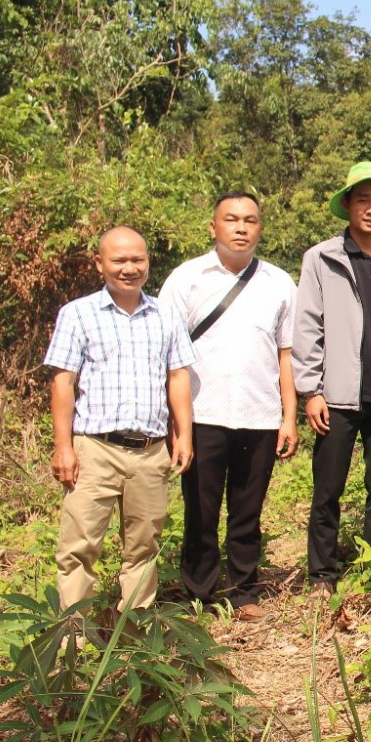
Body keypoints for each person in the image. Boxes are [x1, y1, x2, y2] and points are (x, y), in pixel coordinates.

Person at [160, 192, 298, 622]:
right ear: (213, 227)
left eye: (250, 220)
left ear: (260, 228)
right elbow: (166, 355)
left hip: (259, 414)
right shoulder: (186, 279)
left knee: (248, 509)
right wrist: (174, 423)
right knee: (200, 509)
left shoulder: (279, 282)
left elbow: (286, 353)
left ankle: (243, 590)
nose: (241, 228)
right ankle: (198, 590)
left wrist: (288, 417)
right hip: (202, 414)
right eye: (232, 219)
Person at [45, 226, 195, 617]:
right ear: (100, 264)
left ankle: (133, 642)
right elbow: (63, 383)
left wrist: (184, 436)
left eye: (137, 260)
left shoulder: (166, 315)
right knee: (79, 547)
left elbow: (178, 377)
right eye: (119, 260)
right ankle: (72, 639)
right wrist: (63, 446)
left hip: (149, 452)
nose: (129, 268)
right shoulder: (77, 314)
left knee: (144, 549)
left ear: (148, 262)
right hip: (94, 449)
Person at [293, 161, 371, 593]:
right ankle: (322, 575)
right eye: (363, 199)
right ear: (347, 204)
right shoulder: (322, 257)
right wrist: (310, 390)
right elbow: (307, 325)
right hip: (338, 395)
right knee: (328, 490)